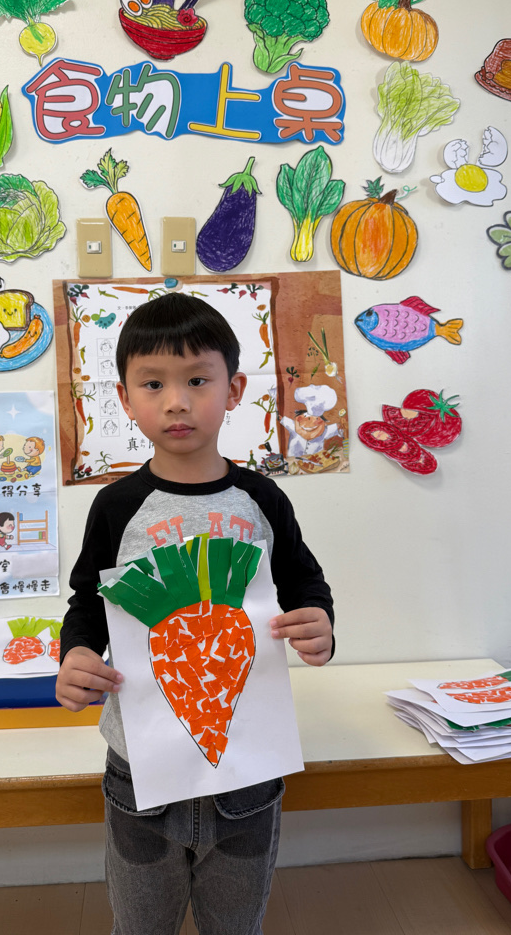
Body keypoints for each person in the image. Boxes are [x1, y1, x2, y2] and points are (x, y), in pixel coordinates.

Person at [56, 292, 334, 935]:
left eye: (198, 381)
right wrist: (75, 655)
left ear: (234, 390)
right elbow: (88, 603)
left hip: (248, 761)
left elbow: (303, 581)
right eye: (153, 383)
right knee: (141, 924)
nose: (176, 401)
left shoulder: (262, 498)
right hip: (139, 762)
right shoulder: (116, 506)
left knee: (235, 924)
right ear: (125, 398)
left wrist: (318, 623)